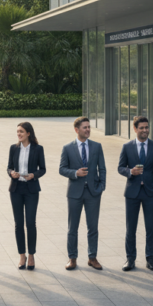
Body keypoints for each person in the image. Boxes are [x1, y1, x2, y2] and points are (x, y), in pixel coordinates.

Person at [117, 116, 153, 272]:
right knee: (130, 228)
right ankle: (130, 259)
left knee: (150, 228)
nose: (145, 130)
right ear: (135, 129)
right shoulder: (127, 147)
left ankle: (150, 259)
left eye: (147, 127)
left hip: (151, 193)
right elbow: (120, 167)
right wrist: (130, 171)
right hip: (132, 192)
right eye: (142, 128)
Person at [59, 116, 106, 271]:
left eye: (89, 127)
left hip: (93, 193)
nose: (88, 130)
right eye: (85, 127)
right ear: (76, 130)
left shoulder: (97, 146)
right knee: (73, 228)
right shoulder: (67, 148)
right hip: (74, 193)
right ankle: (72, 258)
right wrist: (75, 173)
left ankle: (92, 257)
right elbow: (62, 169)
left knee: (93, 227)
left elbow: (102, 169)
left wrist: (101, 187)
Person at [7, 122, 46, 270]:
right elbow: (8, 167)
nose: (19, 134)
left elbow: (43, 169)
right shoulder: (13, 148)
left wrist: (33, 175)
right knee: (18, 224)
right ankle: (21, 255)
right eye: (17, 132)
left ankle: (31, 255)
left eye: (21, 132)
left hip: (31, 190)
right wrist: (11, 173)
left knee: (30, 223)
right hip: (16, 189)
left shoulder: (37, 149)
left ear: (29, 133)